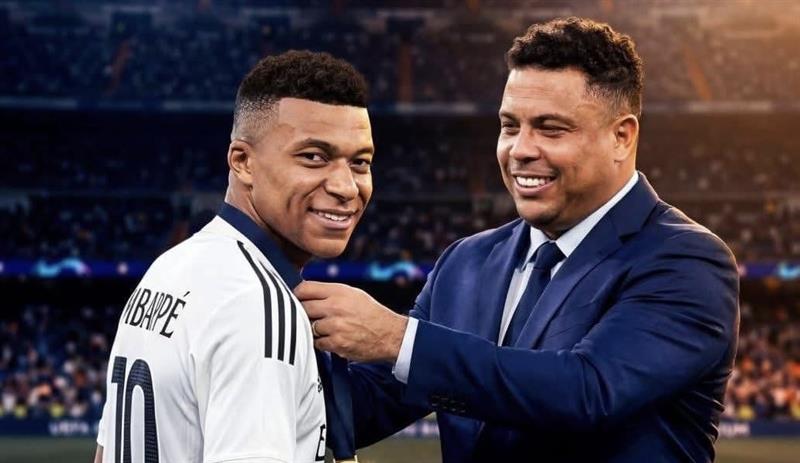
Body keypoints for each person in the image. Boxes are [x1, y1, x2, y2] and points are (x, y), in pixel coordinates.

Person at [296, 17, 739, 462]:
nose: (520, 149)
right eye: (510, 126)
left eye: (551, 128)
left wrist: (398, 339)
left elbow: (587, 392)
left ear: (621, 137)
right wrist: (269, 343)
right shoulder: (465, 262)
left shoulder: (687, 261)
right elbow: (365, 408)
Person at [94, 50, 374, 463]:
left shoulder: (168, 268)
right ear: (242, 162)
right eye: (314, 157)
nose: (346, 187)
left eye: (360, 162)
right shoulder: (257, 303)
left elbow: (105, 453)